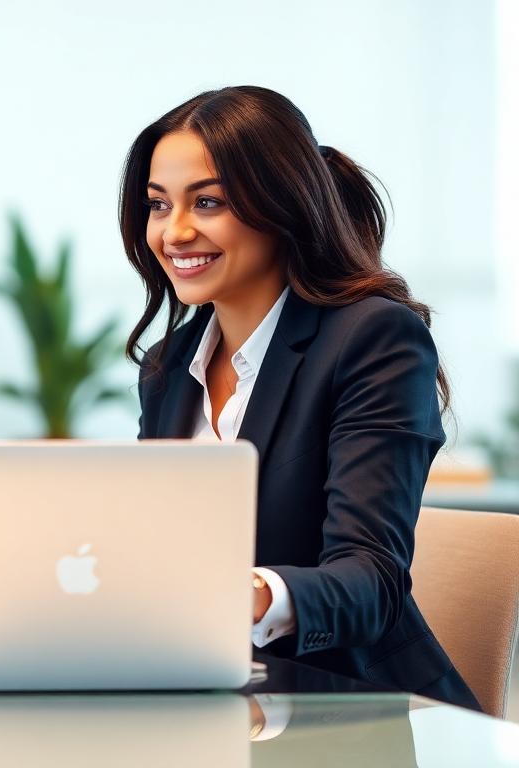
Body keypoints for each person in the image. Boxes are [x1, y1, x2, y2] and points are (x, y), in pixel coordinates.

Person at [122, 86, 479, 710]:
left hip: (354, 710)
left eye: (208, 202)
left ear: (280, 204)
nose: (174, 232)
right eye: (158, 205)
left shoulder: (373, 337)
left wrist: (253, 598)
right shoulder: (168, 368)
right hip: (216, 706)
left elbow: (372, 580)